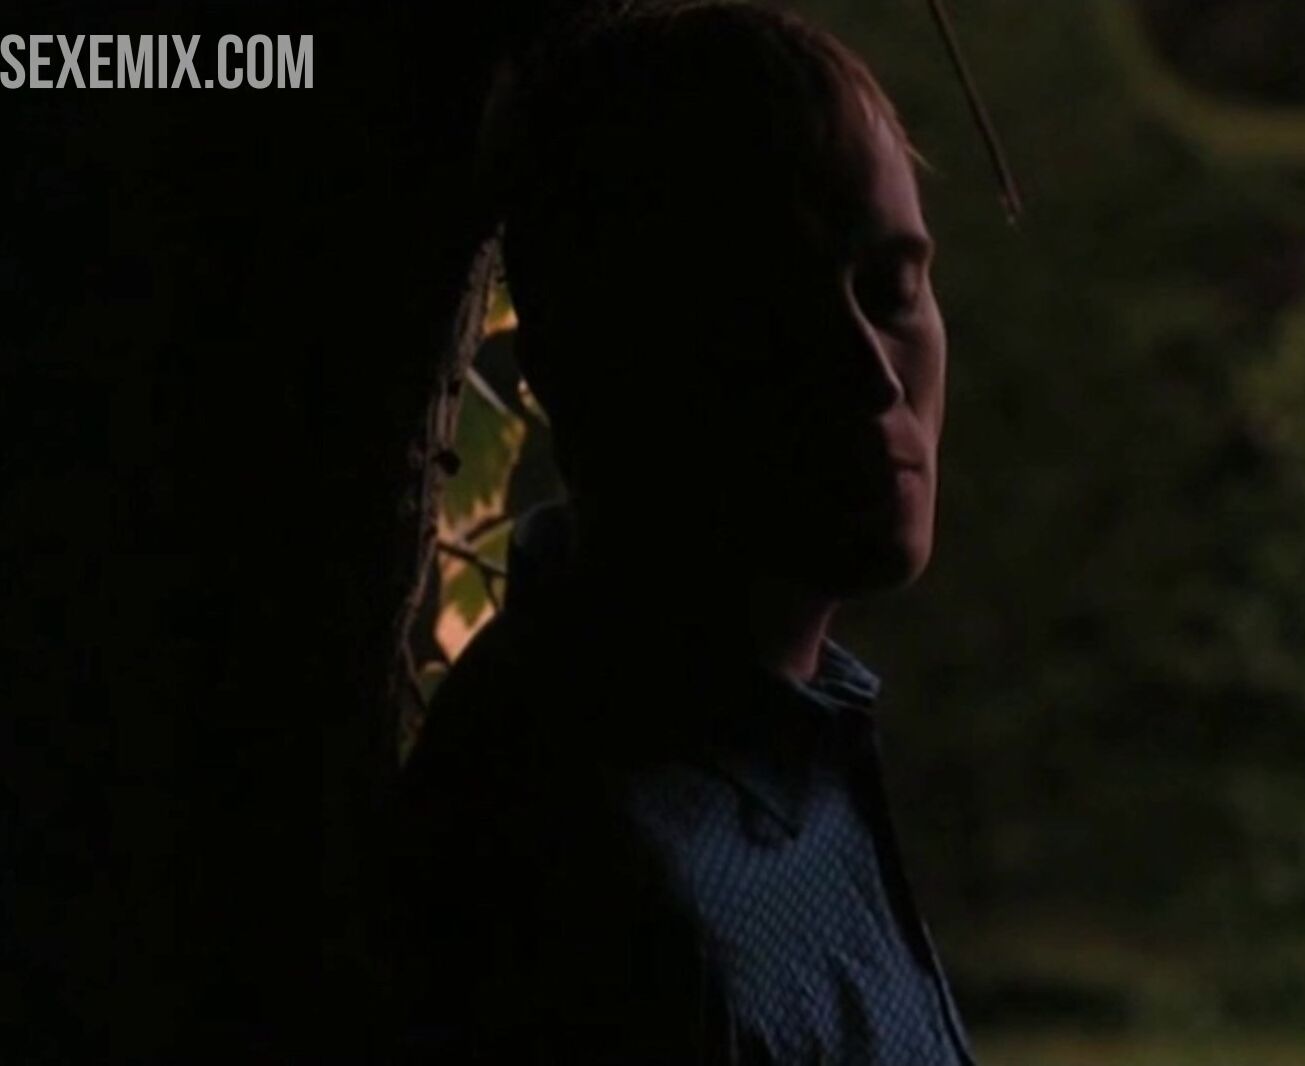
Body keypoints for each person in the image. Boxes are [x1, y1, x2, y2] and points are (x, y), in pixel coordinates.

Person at [394, 2, 974, 1062]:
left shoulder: (773, 741)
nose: (871, 373)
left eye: (892, 289)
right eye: (778, 317)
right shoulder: (575, 875)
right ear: (602, 364)